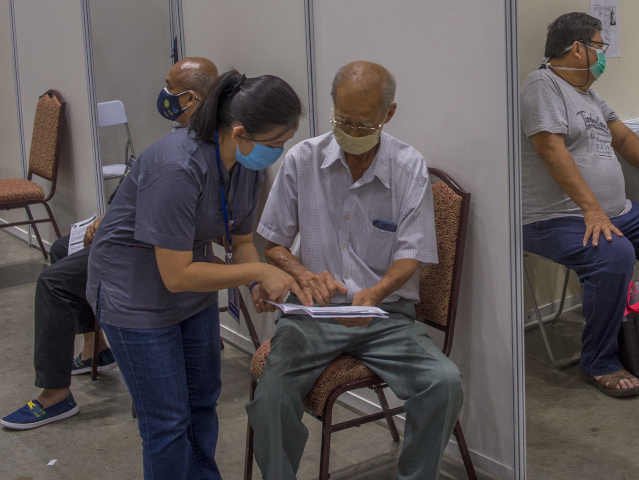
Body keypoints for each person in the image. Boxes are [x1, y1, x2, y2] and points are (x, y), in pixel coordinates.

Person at [83, 70, 307, 479]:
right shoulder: (176, 165)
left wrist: (255, 280)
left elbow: (239, 241)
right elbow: (176, 275)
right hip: (134, 295)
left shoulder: (246, 164)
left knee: (202, 402)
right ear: (239, 132)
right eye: (276, 143)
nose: (279, 151)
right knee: (167, 421)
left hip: (193, 288)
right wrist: (256, 270)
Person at [245, 61, 462, 480]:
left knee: (444, 382)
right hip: (313, 313)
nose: (350, 132)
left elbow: (410, 255)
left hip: (385, 316)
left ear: (388, 114)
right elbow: (272, 244)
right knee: (271, 398)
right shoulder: (300, 161)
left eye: (363, 125)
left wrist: (376, 293)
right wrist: (303, 274)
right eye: (342, 120)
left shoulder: (407, 167)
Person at [1, 56, 219, 431]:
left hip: (143, 251)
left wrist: (117, 224)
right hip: (133, 233)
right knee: (59, 251)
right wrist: (111, 218)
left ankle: (55, 396)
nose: (163, 93)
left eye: (170, 86)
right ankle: (95, 351)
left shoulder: (197, 148)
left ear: (193, 98)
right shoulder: (182, 137)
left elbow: (173, 214)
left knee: (52, 283)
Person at [521, 12, 639, 398]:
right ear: (577, 49)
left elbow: (622, 137)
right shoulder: (542, 86)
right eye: (600, 47)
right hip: (554, 218)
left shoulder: (587, 94)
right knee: (614, 253)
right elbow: (551, 150)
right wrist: (591, 208)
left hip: (613, 213)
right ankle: (599, 361)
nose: (603, 55)